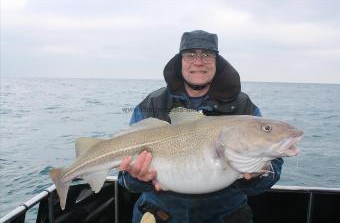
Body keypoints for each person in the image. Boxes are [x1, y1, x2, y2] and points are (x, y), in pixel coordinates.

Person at [118, 30, 283, 223]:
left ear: (216, 61)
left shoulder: (242, 107)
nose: (198, 62)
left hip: (225, 217)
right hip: (160, 215)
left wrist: (257, 176)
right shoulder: (153, 103)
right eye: (190, 55)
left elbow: (272, 170)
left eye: (207, 54)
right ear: (180, 60)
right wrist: (137, 177)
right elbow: (124, 179)